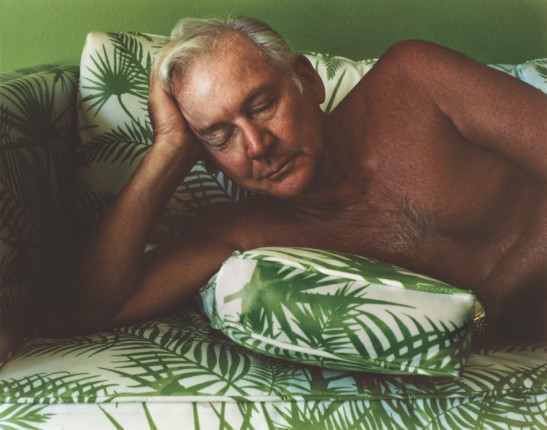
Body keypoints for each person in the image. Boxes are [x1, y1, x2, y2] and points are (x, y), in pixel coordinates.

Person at [58, 16, 546, 340]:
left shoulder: (415, 79)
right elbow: (87, 310)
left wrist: (494, 300)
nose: (256, 145)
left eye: (262, 105)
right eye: (221, 136)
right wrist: (168, 151)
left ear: (307, 81)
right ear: (206, 159)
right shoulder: (242, 233)